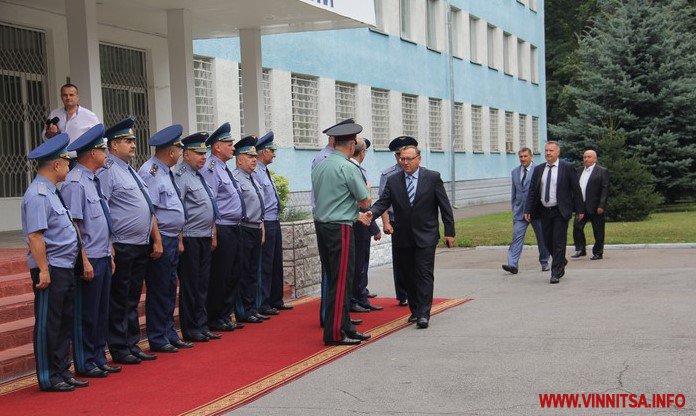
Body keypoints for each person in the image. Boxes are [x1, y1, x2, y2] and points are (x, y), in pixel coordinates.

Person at [22, 133, 86, 392]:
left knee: (63, 320)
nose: (69, 166)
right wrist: (44, 271)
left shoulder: (51, 192)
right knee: (49, 322)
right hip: (50, 268)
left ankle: (63, 370)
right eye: (66, 162)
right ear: (56, 165)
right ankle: (49, 376)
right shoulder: (37, 194)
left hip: (64, 266)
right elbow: (35, 235)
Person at [368, 145, 455, 329]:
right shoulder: (393, 180)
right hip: (403, 236)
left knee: (424, 274)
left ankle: (424, 314)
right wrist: (371, 214)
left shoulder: (432, 178)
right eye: (402, 159)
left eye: (409, 159)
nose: (405, 162)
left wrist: (449, 232)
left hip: (426, 234)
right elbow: (383, 202)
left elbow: (444, 206)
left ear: (418, 159)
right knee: (408, 276)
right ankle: (415, 310)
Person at [98, 117, 161, 364]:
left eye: (134, 140)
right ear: (113, 145)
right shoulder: (108, 171)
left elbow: (147, 207)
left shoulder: (131, 170)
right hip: (122, 244)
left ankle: (132, 342)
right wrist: (110, 244)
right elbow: (103, 208)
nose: (133, 144)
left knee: (133, 296)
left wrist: (154, 238)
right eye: (127, 140)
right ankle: (119, 346)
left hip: (139, 243)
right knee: (120, 296)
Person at [62, 124, 121, 378]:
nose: (107, 154)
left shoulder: (94, 180)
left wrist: (109, 251)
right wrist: (83, 259)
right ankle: (85, 361)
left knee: (100, 311)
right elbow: (74, 225)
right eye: (103, 149)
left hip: (102, 255)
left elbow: (102, 220)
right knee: (87, 313)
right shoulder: (75, 182)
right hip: (88, 258)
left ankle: (98, 356)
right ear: (91, 153)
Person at [312, 120, 372, 345]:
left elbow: (328, 199)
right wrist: (365, 200)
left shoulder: (321, 165)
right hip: (340, 228)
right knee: (342, 281)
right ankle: (336, 332)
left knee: (335, 278)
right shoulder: (347, 167)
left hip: (323, 226)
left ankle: (345, 325)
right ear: (351, 145)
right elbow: (364, 200)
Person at [138, 125, 192, 353]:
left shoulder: (166, 172)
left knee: (170, 288)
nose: (180, 154)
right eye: (179, 150)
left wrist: (177, 237)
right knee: (159, 288)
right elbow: (151, 211)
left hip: (171, 237)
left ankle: (169, 332)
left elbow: (173, 208)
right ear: (171, 151)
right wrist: (158, 240)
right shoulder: (150, 172)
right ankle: (158, 337)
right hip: (160, 240)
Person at [174, 132, 222, 342]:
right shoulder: (180, 177)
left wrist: (212, 233)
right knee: (191, 285)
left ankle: (201, 324)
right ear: (186, 155)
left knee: (203, 283)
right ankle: (191, 328)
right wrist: (180, 237)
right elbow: (178, 210)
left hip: (204, 235)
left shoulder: (199, 175)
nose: (204, 157)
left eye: (204, 153)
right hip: (190, 237)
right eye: (198, 153)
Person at [201, 122, 246, 332]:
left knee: (233, 273)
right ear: (217, 146)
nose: (233, 148)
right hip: (223, 227)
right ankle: (215, 316)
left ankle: (225, 314)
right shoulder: (211, 168)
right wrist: (214, 230)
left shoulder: (224, 168)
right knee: (221, 273)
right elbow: (211, 200)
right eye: (229, 144)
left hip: (234, 226)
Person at [524, 141, 584, 284]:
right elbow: (532, 191)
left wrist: (580, 209)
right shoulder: (539, 169)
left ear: (557, 153)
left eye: (551, 150)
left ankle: (556, 272)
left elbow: (576, 189)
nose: (548, 153)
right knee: (547, 241)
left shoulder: (567, 168)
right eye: (546, 150)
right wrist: (528, 209)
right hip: (544, 211)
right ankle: (561, 260)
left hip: (560, 210)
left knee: (558, 241)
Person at [254, 131, 293, 315]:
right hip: (266, 222)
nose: (274, 154)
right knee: (266, 264)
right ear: (263, 152)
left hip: (274, 221)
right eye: (272, 150)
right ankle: (263, 302)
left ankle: (276, 299)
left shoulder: (265, 171)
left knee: (277, 262)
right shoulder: (256, 172)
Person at [232, 136, 268, 323]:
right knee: (244, 270)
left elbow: (259, 204)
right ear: (239, 159)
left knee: (254, 270)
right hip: (244, 228)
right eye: (249, 156)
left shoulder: (254, 178)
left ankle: (252, 307)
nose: (254, 159)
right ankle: (243, 310)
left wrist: (261, 225)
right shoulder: (236, 178)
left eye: (255, 156)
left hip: (255, 226)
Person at [380, 136, 418, 307]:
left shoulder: (421, 173)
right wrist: (386, 223)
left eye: (406, 155)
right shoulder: (388, 174)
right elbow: (383, 202)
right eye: (399, 155)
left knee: (418, 258)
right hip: (397, 222)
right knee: (400, 259)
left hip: (417, 222)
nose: (402, 159)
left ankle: (417, 291)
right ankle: (402, 293)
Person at [502, 148, 550, 274]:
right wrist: (514, 208)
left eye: (525, 156)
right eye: (521, 157)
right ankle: (512, 264)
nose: (523, 159)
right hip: (519, 212)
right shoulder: (515, 172)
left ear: (531, 156)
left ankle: (545, 262)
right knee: (516, 237)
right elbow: (515, 192)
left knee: (542, 238)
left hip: (536, 212)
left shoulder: (539, 170)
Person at [349, 137, 383, 313]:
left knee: (361, 262)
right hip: (358, 224)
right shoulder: (354, 169)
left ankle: (360, 295)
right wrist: (374, 228)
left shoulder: (354, 168)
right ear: (362, 152)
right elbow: (363, 203)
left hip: (359, 222)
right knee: (359, 263)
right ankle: (358, 297)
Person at [572, 149, 609, 260]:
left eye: (589, 157)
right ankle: (581, 249)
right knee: (577, 227)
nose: (586, 159)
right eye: (584, 157)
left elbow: (605, 189)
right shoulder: (578, 171)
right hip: (581, 206)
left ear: (595, 159)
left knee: (598, 230)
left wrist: (601, 205)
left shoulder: (602, 171)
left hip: (595, 206)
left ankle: (598, 252)